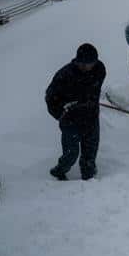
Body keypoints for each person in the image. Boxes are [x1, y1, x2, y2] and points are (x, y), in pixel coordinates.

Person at [45, 43, 106, 181]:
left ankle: (88, 175)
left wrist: (90, 101)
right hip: (70, 121)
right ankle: (60, 170)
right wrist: (61, 113)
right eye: (83, 64)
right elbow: (50, 98)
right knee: (71, 153)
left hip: (91, 117)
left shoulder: (99, 69)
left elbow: (95, 89)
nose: (87, 67)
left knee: (90, 151)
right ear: (77, 61)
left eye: (90, 64)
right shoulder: (64, 75)